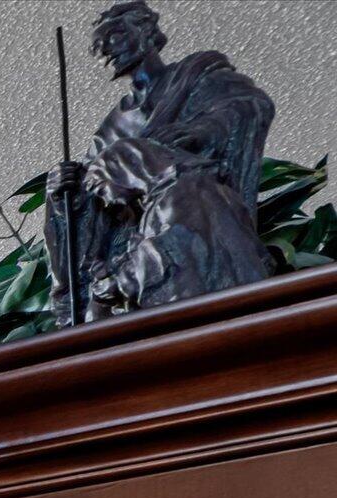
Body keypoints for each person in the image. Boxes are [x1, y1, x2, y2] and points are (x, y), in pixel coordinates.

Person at [46, 0, 274, 320]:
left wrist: (202, 131)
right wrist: (63, 195)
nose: (102, 51)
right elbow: (96, 197)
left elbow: (252, 106)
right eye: (97, 45)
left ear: (145, 31)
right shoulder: (112, 127)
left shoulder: (196, 76)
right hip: (138, 250)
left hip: (189, 223)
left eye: (113, 36)